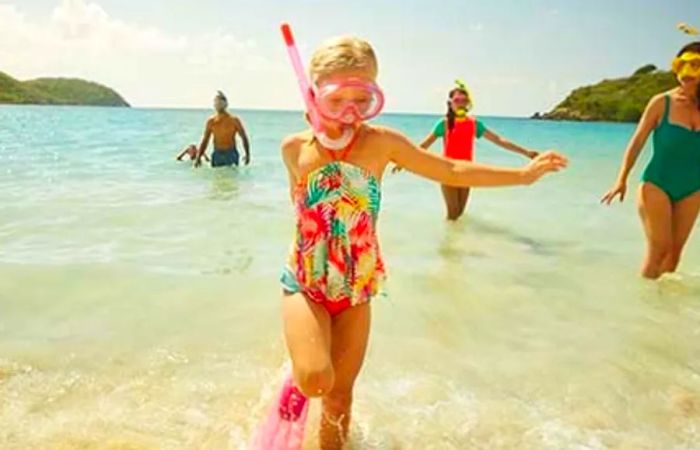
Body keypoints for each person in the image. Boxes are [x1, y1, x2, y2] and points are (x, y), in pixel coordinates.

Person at [269, 30, 568, 450]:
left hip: (357, 286)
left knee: (340, 396)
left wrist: (522, 175)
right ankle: (303, 368)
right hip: (305, 282)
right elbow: (299, 210)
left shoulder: (381, 144)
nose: (350, 113)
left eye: (362, 100)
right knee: (318, 379)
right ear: (312, 95)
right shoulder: (293, 149)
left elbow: (454, 171)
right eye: (337, 100)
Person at [602, 42, 700, 279]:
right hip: (657, 183)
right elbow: (637, 142)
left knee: (675, 253)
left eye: (695, 66)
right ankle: (641, 304)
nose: (686, 73)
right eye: (682, 66)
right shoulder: (661, 102)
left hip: (693, 188)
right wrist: (621, 179)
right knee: (659, 249)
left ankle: (660, 312)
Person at [395, 80, 543, 220]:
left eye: (464, 101)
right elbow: (424, 146)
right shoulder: (444, 124)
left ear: (468, 104)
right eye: (457, 100)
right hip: (447, 171)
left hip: (468, 171)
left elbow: (498, 140)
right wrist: (404, 161)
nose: (460, 104)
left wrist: (526, 152)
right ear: (450, 103)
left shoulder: (474, 124)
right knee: (452, 215)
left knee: (460, 214)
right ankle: (448, 246)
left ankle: (459, 245)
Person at [194, 91, 251, 168]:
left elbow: (244, 137)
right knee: (216, 178)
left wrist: (247, 154)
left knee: (231, 178)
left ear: (226, 104)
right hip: (217, 154)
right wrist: (198, 157)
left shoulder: (234, 120)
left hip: (231, 153)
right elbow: (205, 140)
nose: (218, 104)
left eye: (220, 102)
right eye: (216, 102)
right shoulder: (211, 121)